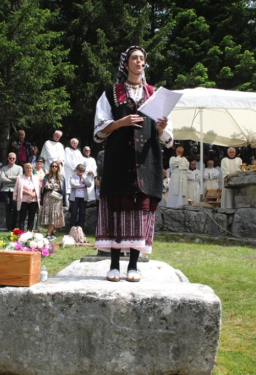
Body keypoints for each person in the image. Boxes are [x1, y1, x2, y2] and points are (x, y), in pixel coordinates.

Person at [93, 45, 173, 282]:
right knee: (117, 210)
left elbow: (167, 137)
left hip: (146, 161)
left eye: (142, 59)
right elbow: (98, 129)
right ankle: (115, 265)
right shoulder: (111, 92)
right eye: (134, 58)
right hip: (118, 160)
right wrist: (121, 122)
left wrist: (161, 128)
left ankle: (134, 266)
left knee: (141, 212)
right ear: (126, 63)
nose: (139, 62)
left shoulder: (154, 94)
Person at [40, 162, 66, 240]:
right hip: (48, 197)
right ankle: (52, 233)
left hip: (57, 197)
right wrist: (53, 186)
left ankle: (48, 234)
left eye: (56, 166)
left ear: (58, 168)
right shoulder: (47, 176)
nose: (54, 167)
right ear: (50, 167)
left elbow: (62, 188)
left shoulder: (61, 177)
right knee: (49, 214)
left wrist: (52, 186)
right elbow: (45, 186)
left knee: (55, 214)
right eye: (52, 166)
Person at [14, 163, 41, 231]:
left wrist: (32, 196)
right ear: (24, 169)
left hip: (33, 200)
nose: (29, 169)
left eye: (31, 168)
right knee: (22, 217)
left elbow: (38, 189)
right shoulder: (19, 178)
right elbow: (19, 189)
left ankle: (30, 232)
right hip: (23, 199)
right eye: (27, 168)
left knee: (32, 217)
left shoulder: (36, 178)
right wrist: (29, 193)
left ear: (32, 169)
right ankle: (21, 233)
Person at [0, 152, 23, 231]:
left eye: (13, 158)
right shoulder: (3, 168)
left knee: (15, 208)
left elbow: (19, 178)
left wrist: (9, 177)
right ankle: (9, 227)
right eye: (10, 158)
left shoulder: (19, 168)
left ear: (15, 159)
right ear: (7, 158)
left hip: (15, 190)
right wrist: (13, 179)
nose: (11, 160)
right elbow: (2, 179)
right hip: (6, 190)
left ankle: (14, 226)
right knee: (8, 208)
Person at [69, 164, 92, 230]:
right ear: (76, 170)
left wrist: (83, 178)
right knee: (74, 212)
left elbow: (89, 184)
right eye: (80, 170)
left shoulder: (85, 177)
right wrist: (82, 185)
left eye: (83, 171)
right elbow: (73, 185)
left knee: (82, 213)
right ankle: (72, 228)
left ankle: (81, 229)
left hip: (83, 198)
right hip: (75, 197)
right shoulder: (73, 176)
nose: (81, 172)